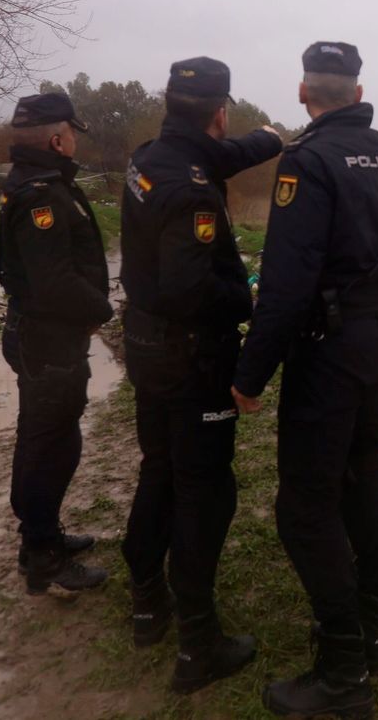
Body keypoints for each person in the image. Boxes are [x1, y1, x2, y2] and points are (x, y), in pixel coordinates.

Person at [232, 41, 378, 719]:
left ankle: (344, 674)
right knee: (363, 479)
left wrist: (251, 374)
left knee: (304, 507)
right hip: (376, 341)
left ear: (303, 92)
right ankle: (374, 635)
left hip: (327, 349)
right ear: (358, 92)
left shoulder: (306, 162)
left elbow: (286, 284)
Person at [118, 57, 284, 691]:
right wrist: (246, 300)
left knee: (159, 468)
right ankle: (198, 644)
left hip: (146, 346)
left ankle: (146, 601)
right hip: (191, 358)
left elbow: (219, 155)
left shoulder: (147, 158)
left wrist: (268, 139)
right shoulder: (192, 191)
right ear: (219, 112)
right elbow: (189, 290)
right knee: (206, 491)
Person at [0, 92, 112, 593]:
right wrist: (102, 311)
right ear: (58, 139)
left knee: (43, 439)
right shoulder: (41, 194)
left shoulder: (36, 182)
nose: (74, 143)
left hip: (44, 336)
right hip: (48, 341)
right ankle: (43, 554)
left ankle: (38, 539)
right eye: (72, 134)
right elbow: (54, 282)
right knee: (52, 446)